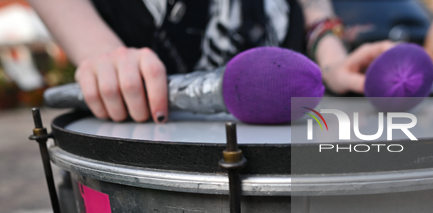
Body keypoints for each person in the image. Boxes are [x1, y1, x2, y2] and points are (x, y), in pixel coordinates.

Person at [29, 0, 393, 123]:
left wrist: (331, 59)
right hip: (142, 158)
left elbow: (312, 6)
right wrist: (103, 57)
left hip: (288, 130)